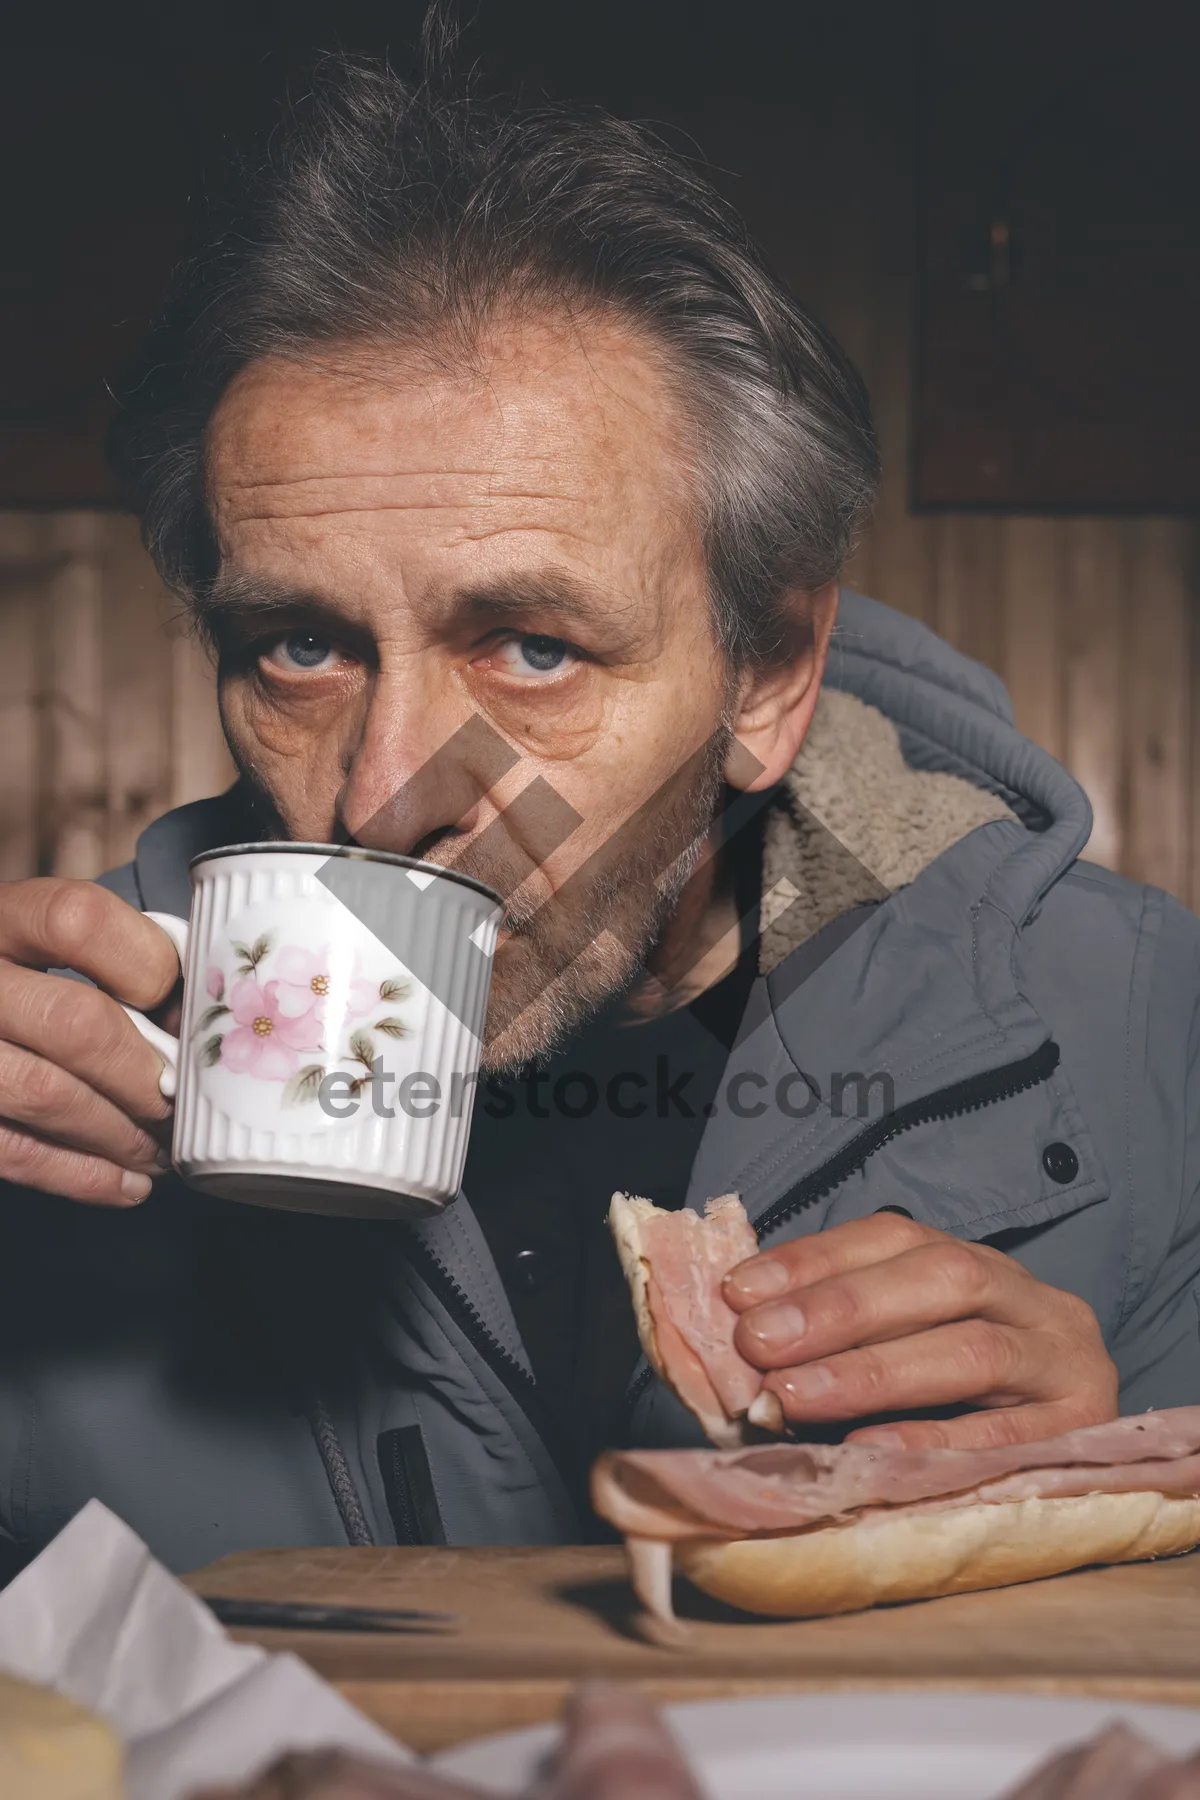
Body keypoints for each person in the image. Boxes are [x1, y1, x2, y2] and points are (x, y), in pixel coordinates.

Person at [0, 54, 1194, 1577]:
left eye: (535, 648)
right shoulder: (45, 1079)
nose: (386, 799)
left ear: (765, 677)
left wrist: (1104, 1514)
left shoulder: (1151, 1036)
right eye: (302, 645)